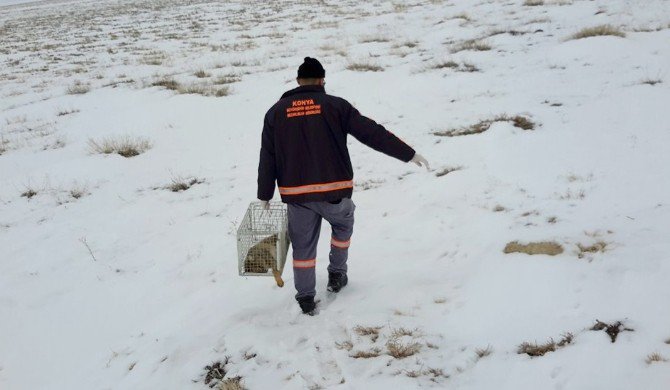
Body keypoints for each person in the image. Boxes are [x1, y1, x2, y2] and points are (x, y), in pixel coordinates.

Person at [257, 57, 429, 315]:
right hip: (335, 192)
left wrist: (264, 194)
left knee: (303, 248)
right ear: (322, 80)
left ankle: (305, 298)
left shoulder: (276, 112)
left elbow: (267, 155)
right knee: (342, 228)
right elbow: (372, 133)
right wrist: (408, 154)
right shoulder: (336, 106)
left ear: (297, 81)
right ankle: (337, 275)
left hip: (297, 196)